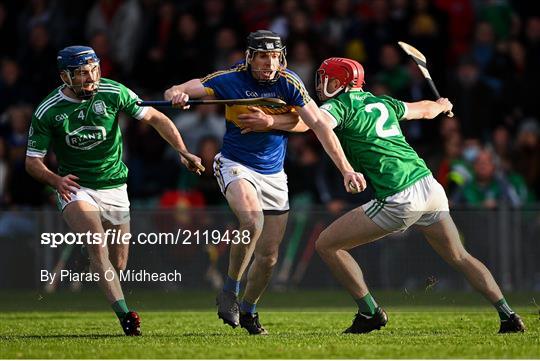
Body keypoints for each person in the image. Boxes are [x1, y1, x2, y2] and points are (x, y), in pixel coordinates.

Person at [239, 57, 526, 334]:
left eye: (325, 78)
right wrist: (441, 106)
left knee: (327, 245)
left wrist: (270, 122)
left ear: (339, 81)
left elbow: (312, 123)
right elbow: (423, 110)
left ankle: (370, 312)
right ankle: (508, 314)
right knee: (460, 256)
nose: (321, 83)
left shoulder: (342, 105)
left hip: (400, 195)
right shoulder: (381, 101)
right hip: (430, 187)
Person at [164, 31, 364, 335]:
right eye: (262, 56)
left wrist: (346, 169)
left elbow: (319, 125)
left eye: (274, 56)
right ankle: (229, 290)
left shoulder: (289, 82)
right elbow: (185, 88)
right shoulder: (231, 78)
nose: (269, 62)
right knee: (251, 220)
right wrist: (177, 93)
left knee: (269, 257)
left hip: (274, 176)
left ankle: (249, 310)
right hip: (235, 165)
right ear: (250, 57)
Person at [25, 46, 203, 336]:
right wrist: (54, 181)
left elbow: (157, 118)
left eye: (93, 70)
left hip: (115, 185)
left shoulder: (114, 91)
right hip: (75, 186)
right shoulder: (48, 111)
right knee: (97, 243)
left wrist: (183, 151)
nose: (90, 77)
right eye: (82, 73)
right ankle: (126, 317)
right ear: (64, 77)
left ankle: (93, 261)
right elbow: (32, 162)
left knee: (118, 263)